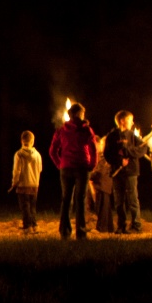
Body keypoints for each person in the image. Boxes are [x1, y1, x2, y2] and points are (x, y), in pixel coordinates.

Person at [48, 103, 97, 240]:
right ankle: (81, 233)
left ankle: (65, 231)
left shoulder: (61, 130)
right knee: (80, 200)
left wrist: (60, 164)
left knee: (66, 199)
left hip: (66, 168)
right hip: (82, 167)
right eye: (82, 114)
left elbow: (52, 151)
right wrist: (92, 164)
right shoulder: (86, 129)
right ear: (77, 114)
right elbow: (93, 149)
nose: (83, 116)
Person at [103, 111, 147, 234]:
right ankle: (121, 226)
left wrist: (129, 151)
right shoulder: (112, 136)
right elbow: (107, 154)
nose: (132, 122)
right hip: (117, 172)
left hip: (132, 171)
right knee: (119, 200)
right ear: (122, 120)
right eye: (130, 119)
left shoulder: (133, 135)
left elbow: (143, 148)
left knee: (133, 199)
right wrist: (119, 161)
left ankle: (136, 226)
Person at [10, 132, 42, 233]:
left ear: (21, 141)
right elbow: (40, 169)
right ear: (32, 141)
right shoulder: (37, 155)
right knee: (32, 207)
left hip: (23, 185)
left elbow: (16, 171)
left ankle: (27, 227)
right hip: (34, 184)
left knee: (25, 207)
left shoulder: (19, 154)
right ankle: (34, 225)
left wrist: (14, 182)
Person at [89, 134, 114, 234]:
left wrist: (89, 175)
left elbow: (99, 172)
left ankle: (101, 228)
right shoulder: (101, 156)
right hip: (104, 184)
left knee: (102, 207)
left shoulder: (104, 157)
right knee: (106, 207)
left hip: (103, 184)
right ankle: (109, 227)